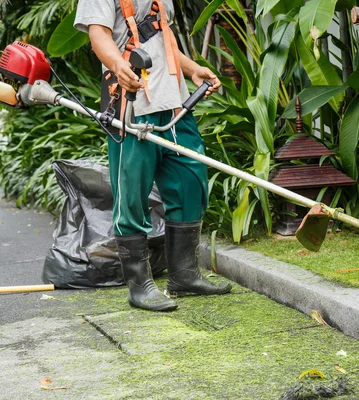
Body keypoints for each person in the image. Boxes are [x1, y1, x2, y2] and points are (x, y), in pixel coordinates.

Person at [74, 0, 232, 312]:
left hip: (173, 102)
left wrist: (192, 69)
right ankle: (139, 286)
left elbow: (161, 37)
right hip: (131, 107)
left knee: (191, 182)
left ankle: (184, 276)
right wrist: (119, 66)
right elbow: (98, 36)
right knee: (131, 194)